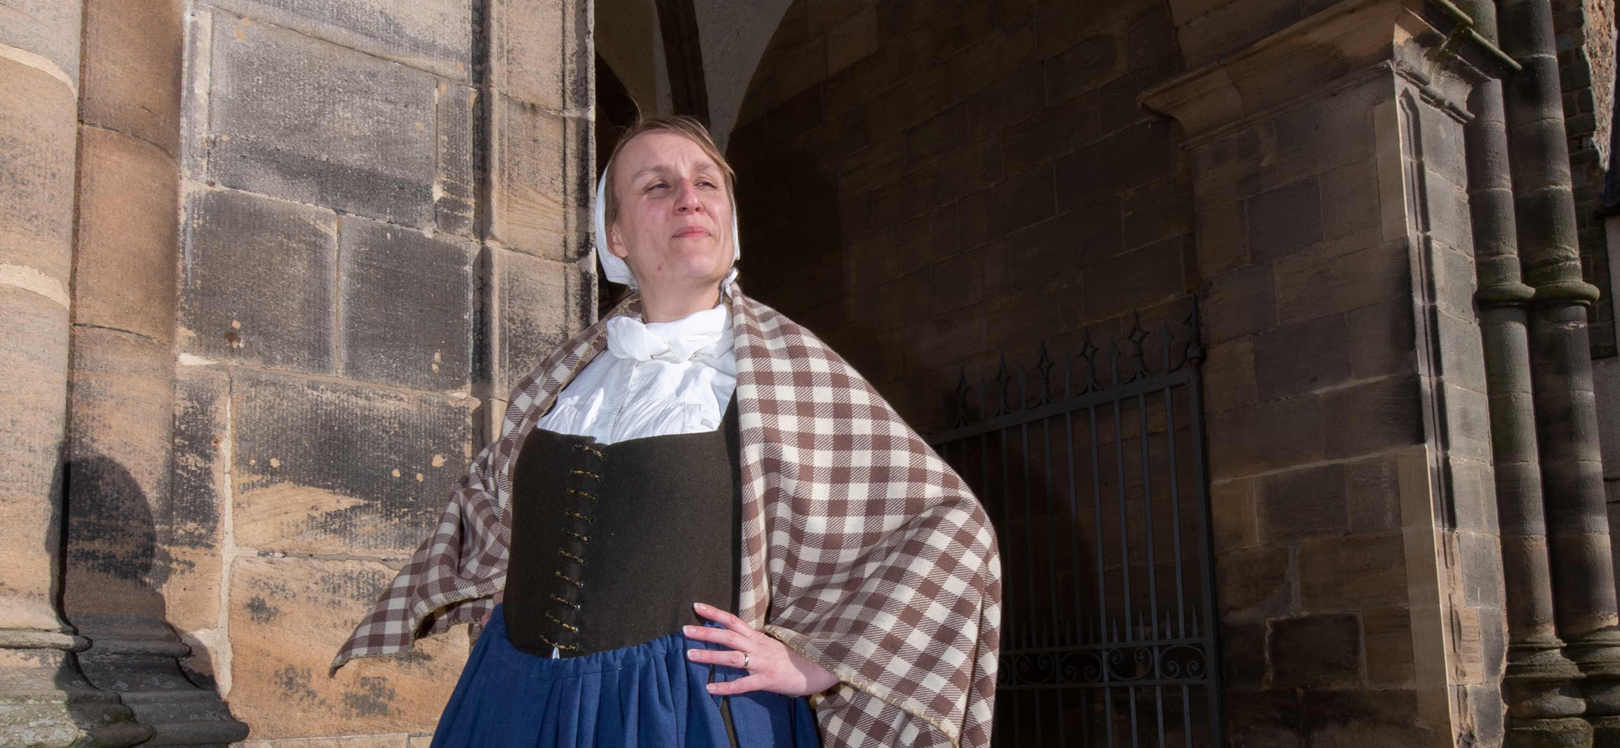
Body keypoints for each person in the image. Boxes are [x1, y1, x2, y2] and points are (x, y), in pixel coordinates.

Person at [330, 115, 1002, 748]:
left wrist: (818, 661)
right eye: (658, 186)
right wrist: (501, 592)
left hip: (686, 711)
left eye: (707, 183)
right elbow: (494, 506)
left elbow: (949, 523)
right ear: (615, 237)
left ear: (731, 222)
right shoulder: (563, 380)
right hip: (517, 701)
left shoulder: (788, 373)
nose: (690, 197)